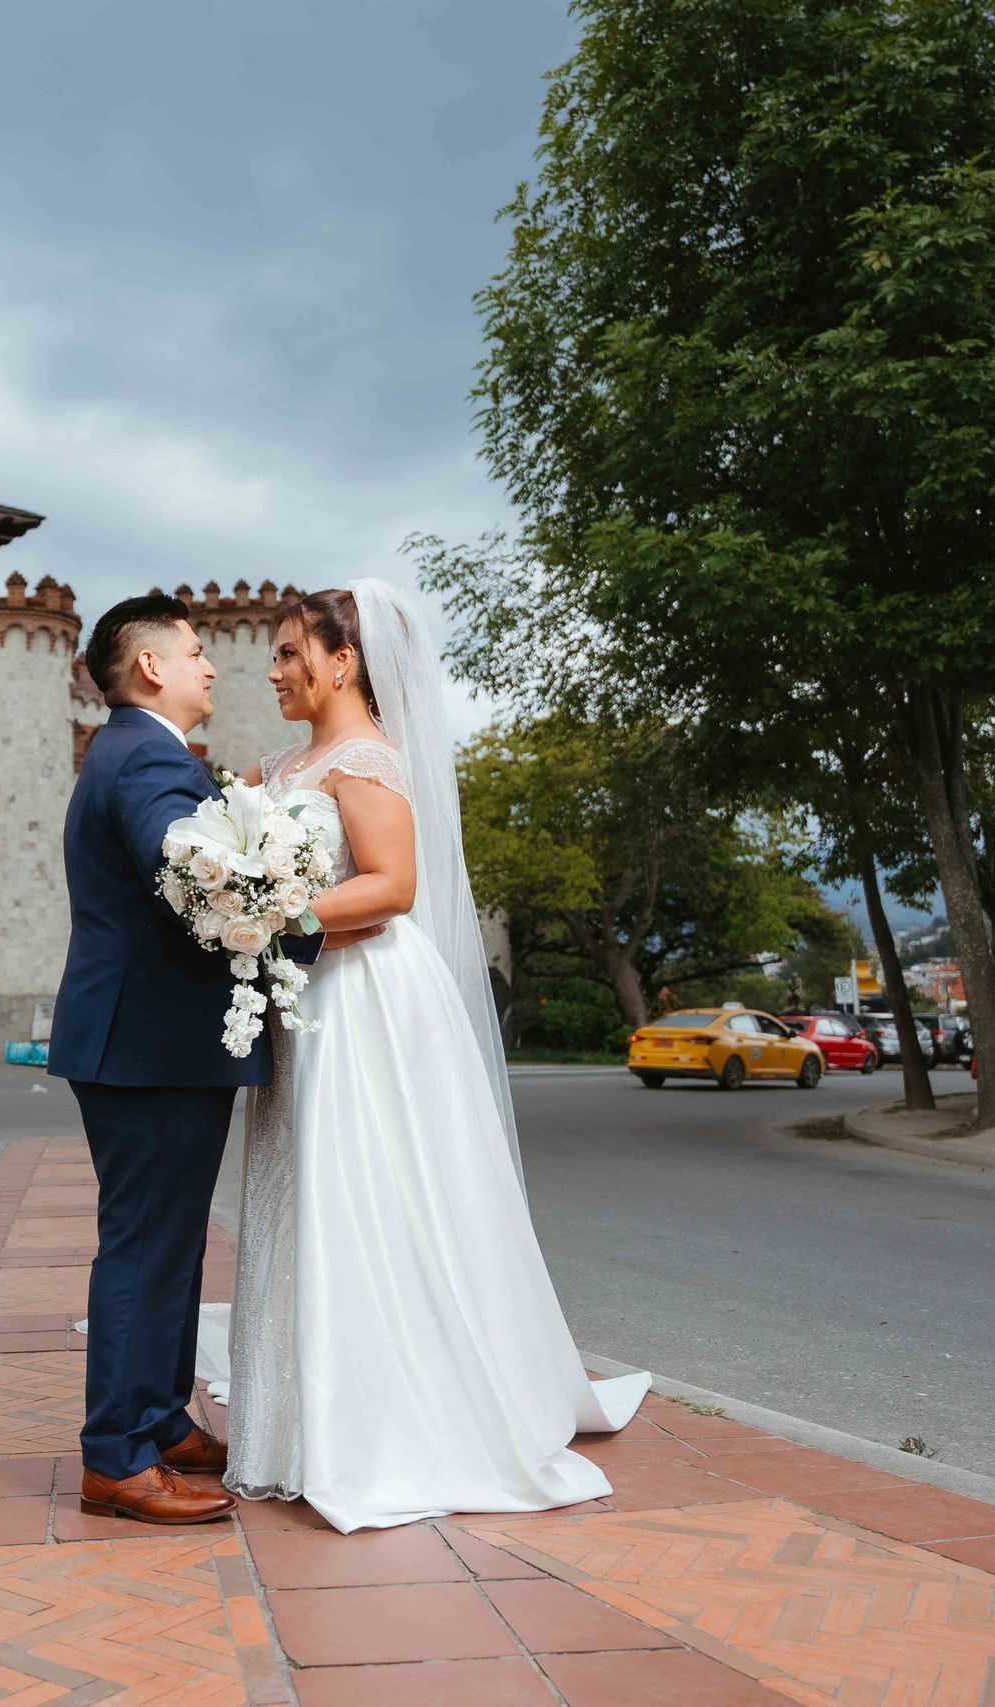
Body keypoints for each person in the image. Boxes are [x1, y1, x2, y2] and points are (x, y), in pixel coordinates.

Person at [218, 579, 652, 1532]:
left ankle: (384, 1422)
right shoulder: (283, 762)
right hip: (307, 997)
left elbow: (394, 885)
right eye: (276, 653)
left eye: (291, 652)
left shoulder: (367, 759)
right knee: (304, 1189)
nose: (276, 669)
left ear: (343, 660)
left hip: (364, 997)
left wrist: (268, 913)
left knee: (368, 1187)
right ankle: (298, 1418)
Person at [48, 593, 320, 1525]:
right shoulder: (147, 758)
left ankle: (161, 1421)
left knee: (172, 1243)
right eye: (197, 650)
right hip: (148, 1045)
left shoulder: (132, 751)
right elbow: (197, 880)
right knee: (145, 1245)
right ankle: (117, 1457)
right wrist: (292, 903)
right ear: (152, 666)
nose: (212, 665)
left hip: (151, 1041)